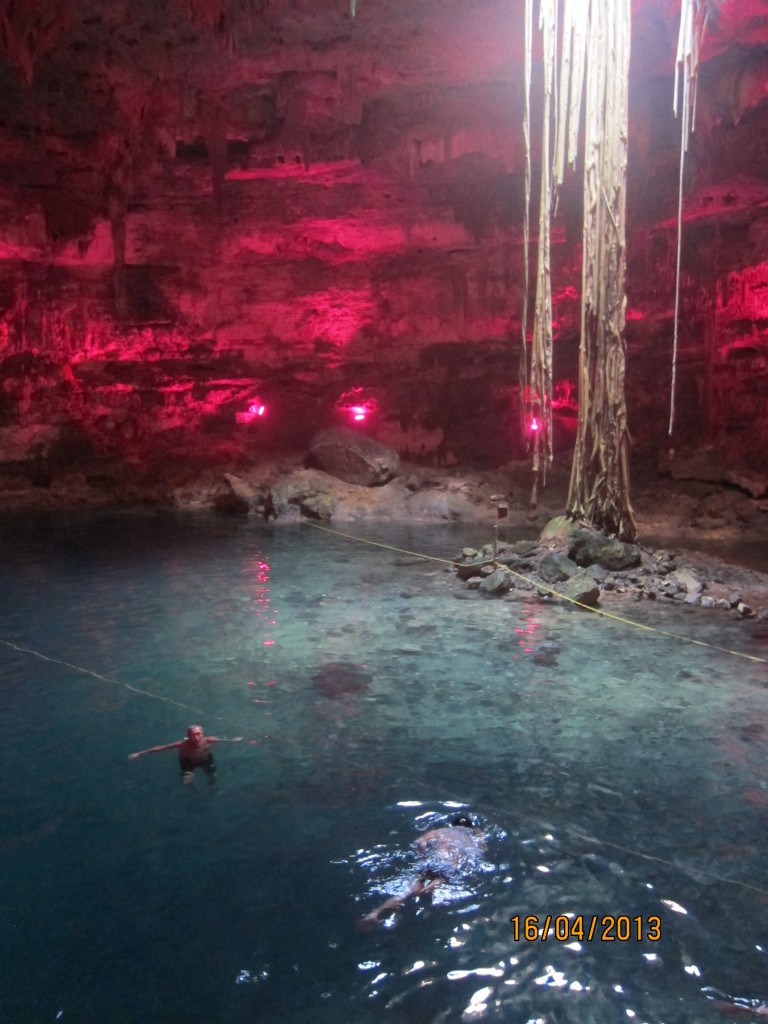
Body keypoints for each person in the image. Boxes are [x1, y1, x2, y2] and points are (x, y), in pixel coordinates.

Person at [359, 814, 486, 928]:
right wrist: (479, 834)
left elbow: (420, 842)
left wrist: (424, 857)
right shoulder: (471, 839)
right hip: (450, 862)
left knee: (412, 886)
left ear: (452, 825)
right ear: (469, 828)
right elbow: (482, 850)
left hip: (433, 858)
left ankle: (376, 912)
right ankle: (428, 894)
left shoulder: (440, 831)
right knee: (439, 880)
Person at [128, 725, 243, 785]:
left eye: (199, 734)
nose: (196, 737)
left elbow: (224, 740)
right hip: (188, 762)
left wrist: (234, 740)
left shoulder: (209, 740)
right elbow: (161, 748)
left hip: (205, 759)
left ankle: (213, 788)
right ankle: (195, 794)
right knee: (186, 781)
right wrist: (140, 753)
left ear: (202, 734)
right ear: (188, 735)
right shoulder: (182, 744)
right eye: (193, 735)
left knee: (213, 777)